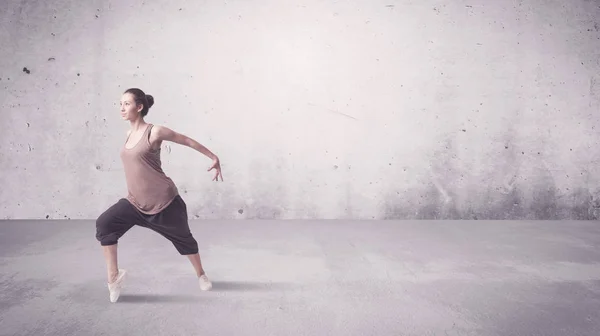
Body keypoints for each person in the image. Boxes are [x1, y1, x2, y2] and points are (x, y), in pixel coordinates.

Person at [95, 88, 223, 303]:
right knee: (105, 225)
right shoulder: (128, 134)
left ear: (139, 106)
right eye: (120, 104)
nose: (122, 108)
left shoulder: (155, 132)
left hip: (164, 201)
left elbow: (186, 140)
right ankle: (113, 278)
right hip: (134, 202)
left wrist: (213, 157)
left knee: (185, 240)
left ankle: (201, 274)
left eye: (127, 104)